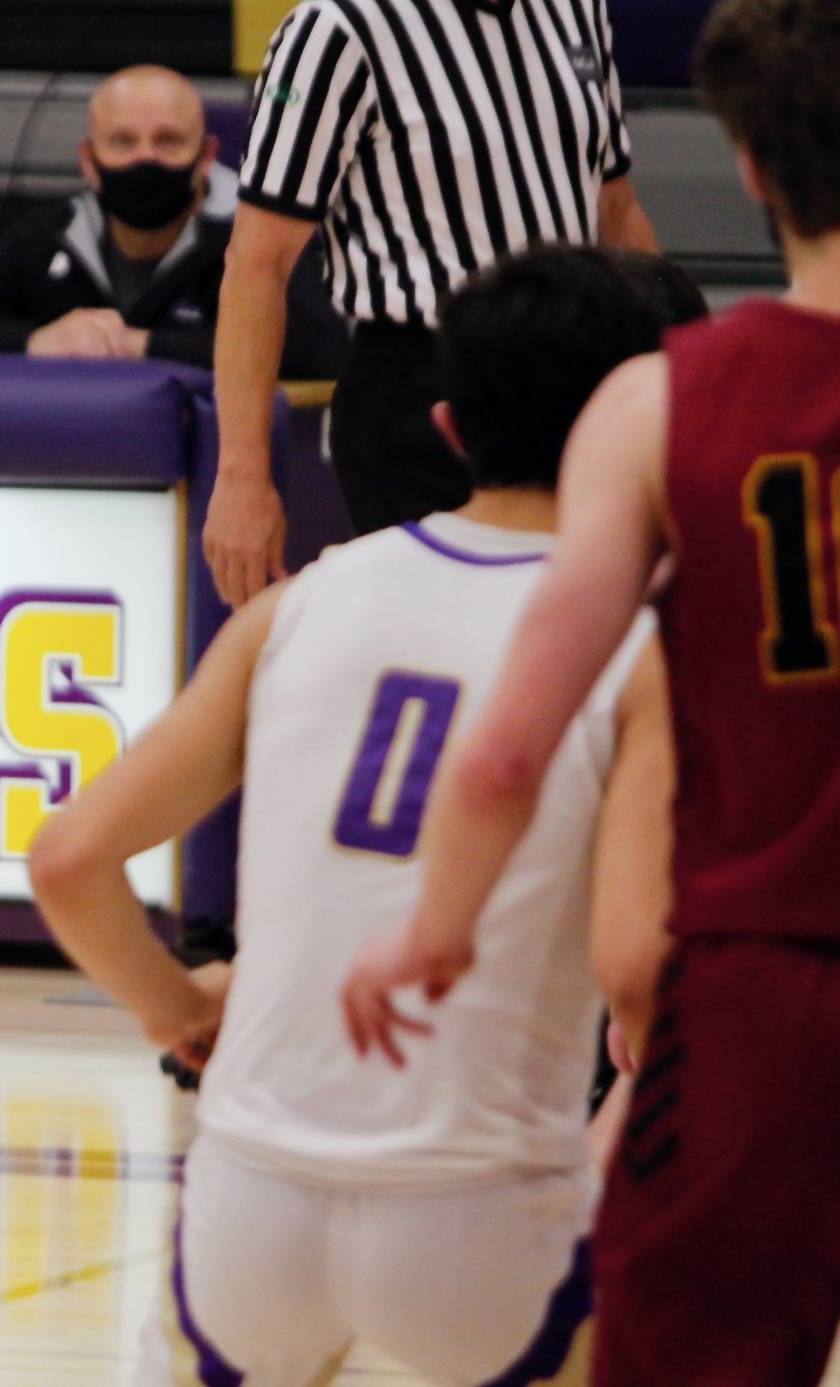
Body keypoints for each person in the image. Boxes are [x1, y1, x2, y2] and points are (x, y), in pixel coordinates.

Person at [30, 246, 682, 1386]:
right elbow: (638, 973)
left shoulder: (295, 605)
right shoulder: (634, 648)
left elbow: (66, 858)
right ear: (638, 428)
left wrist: (175, 1005)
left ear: (443, 425)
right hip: (480, 1201)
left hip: (252, 1193)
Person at [341, 1, 840, 1381]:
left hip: (768, 977)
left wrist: (432, 928)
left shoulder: (661, 402)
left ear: (748, 166)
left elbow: (515, 741)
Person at [203, 0, 661, 608]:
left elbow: (616, 208)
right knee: (449, 646)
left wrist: (689, 368)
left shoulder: (579, 10)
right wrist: (241, 476)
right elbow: (258, 263)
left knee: (580, 647)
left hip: (575, 379)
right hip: (418, 388)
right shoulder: (336, 28)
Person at [0, 65, 346, 375]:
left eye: (168, 141)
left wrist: (139, 344)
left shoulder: (259, 237)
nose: (146, 159)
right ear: (88, 160)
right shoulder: (50, 237)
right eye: (123, 142)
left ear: (206, 157)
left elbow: (321, 348)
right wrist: (35, 340)